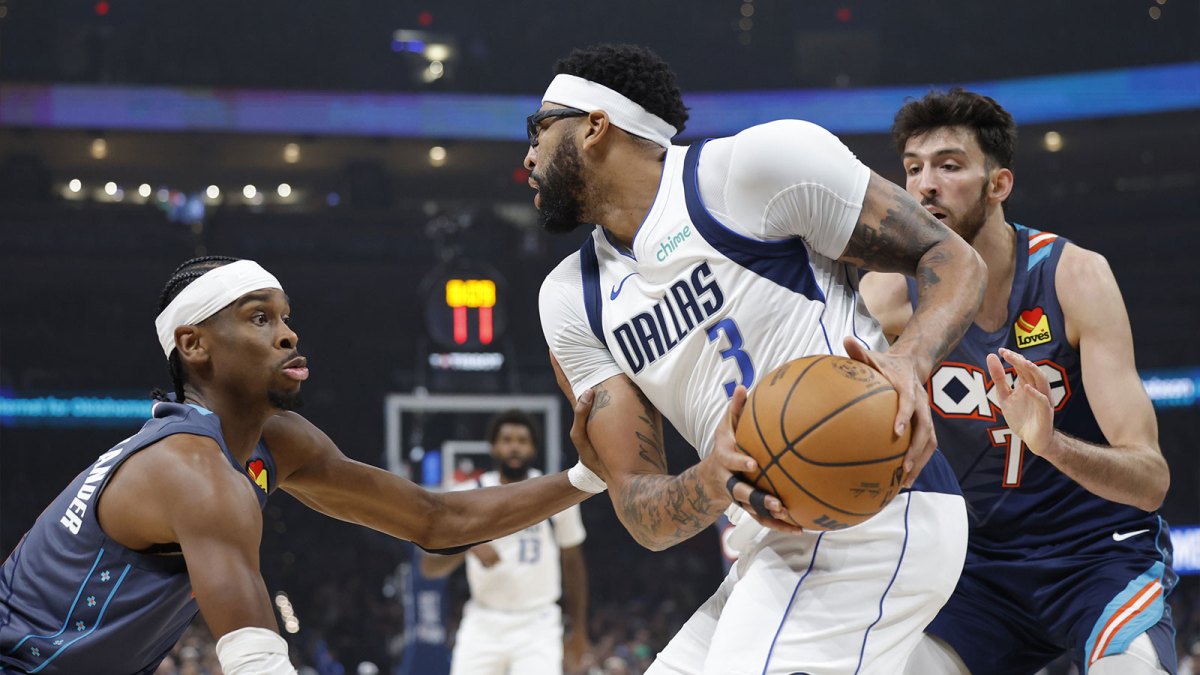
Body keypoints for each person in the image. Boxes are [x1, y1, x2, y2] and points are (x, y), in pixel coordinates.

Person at [530, 43, 987, 674]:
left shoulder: (753, 170)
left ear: (595, 125)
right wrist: (713, 477)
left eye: (539, 127)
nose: (526, 154)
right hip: (766, 543)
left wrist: (908, 361)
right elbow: (642, 511)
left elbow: (952, 257)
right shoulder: (568, 301)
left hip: (875, 509)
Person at [0, 256, 606, 675]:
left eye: (286, 317)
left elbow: (435, 519)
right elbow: (256, 660)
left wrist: (587, 476)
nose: (288, 335)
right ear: (194, 346)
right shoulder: (189, 467)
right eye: (259, 318)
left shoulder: (277, 441)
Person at [859, 89, 1177, 674]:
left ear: (998, 185)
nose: (925, 185)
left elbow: (1150, 482)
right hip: (973, 571)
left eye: (949, 166)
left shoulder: (1074, 277)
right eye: (913, 168)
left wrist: (1050, 444)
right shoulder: (885, 296)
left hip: (1096, 558)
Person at [421, 410, 592, 674]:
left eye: (522, 440)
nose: (514, 446)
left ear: (533, 448)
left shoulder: (553, 492)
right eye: (507, 439)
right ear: (494, 446)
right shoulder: (470, 494)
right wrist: (467, 542)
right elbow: (429, 568)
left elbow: (573, 564)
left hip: (538, 622)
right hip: (483, 620)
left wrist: (579, 631)